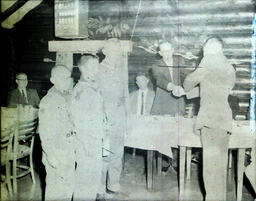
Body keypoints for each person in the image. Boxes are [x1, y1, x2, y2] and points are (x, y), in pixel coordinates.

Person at [183, 37, 236, 201]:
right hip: (224, 121)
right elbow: (215, 90)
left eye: (205, 49)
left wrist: (185, 88)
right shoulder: (228, 66)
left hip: (210, 121)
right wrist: (189, 93)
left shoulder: (209, 61)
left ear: (212, 49)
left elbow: (188, 83)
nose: (203, 52)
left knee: (210, 169)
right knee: (219, 169)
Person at [70, 55, 106, 200]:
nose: (97, 70)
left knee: (93, 177)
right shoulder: (82, 90)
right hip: (87, 142)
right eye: (94, 67)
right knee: (85, 179)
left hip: (94, 139)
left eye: (97, 66)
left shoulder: (91, 87)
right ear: (83, 68)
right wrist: (87, 145)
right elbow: (79, 122)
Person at [38, 65, 75, 201]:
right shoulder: (48, 101)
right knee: (55, 191)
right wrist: (51, 155)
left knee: (68, 187)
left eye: (68, 77)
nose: (68, 80)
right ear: (53, 80)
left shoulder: (67, 96)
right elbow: (45, 133)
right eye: (63, 78)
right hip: (56, 152)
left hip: (69, 149)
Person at [98, 38, 129, 194]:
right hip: (105, 117)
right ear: (105, 52)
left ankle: (113, 184)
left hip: (119, 116)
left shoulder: (121, 68)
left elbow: (125, 95)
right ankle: (100, 188)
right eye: (114, 51)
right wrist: (103, 117)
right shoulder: (98, 69)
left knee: (117, 152)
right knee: (104, 154)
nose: (117, 54)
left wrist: (126, 118)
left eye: (119, 51)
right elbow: (97, 96)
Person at [151, 42, 186, 171]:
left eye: (168, 51)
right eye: (163, 52)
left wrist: (184, 88)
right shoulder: (156, 65)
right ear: (159, 53)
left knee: (178, 133)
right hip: (163, 102)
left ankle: (176, 163)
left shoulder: (180, 61)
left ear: (173, 50)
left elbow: (185, 76)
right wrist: (173, 87)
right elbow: (159, 79)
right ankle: (164, 163)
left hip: (178, 101)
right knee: (164, 133)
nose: (166, 54)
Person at [129, 72, 155, 157]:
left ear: (147, 81)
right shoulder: (132, 95)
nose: (140, 83)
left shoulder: (154, 95)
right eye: (138, 81)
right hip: (135, 121)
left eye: (142, 80)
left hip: (149, 121)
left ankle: (150, 155)